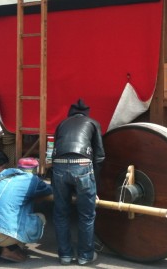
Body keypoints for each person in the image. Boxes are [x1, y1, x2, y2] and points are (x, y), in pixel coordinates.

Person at [52, 98, 105, 266]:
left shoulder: (61, 124)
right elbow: (100, 156)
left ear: (71, 114)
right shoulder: (93, 123)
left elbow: (52, 152)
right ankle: (85, 256)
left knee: (61, 214)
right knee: (86, 215)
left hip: (59, 167)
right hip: (83, 166)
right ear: (85, 114)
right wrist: (94, 184)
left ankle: (65, 256)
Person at [0, 158, 53, 263]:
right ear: (35, 170)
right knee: (40, 217)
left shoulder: (2, 176)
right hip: (3, 234)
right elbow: (49, 190)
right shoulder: (33, 179)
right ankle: (10, 250)